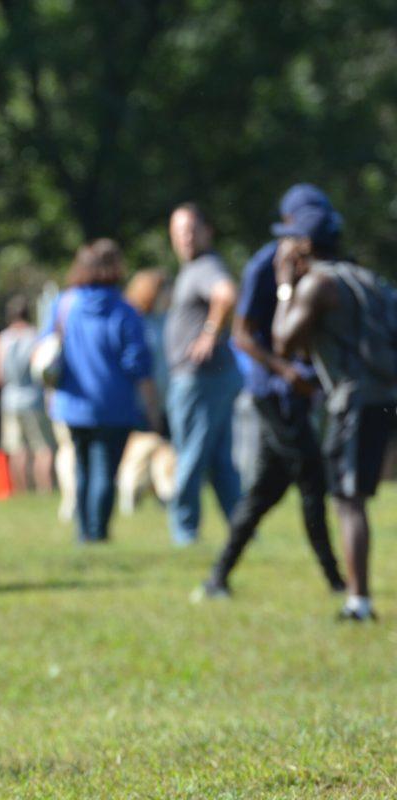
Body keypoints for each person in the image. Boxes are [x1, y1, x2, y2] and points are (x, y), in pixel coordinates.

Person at [196, 186, 347, 599]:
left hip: (299, 394)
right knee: (314, 481)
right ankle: (339, 584)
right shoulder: (265, 266)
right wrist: (285, 371)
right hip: (273, 395)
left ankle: (216, 578)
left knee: (265, 493)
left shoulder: (319, 266)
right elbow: (242, 336)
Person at [272, 206, 395, 621]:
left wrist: (285, 288)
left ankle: (358, 601)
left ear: (304, 245)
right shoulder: (367, 279)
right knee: (353, 496)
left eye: (287, 238)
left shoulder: (318, 284)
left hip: (352, 400)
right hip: (382, 394)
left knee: (347, 498)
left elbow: (283, 343)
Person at [48, 239, 160, 543]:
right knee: (104, 471)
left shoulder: (63, 304)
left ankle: (83, 532)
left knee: (83, 469)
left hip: (71, 403)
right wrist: (152, 406)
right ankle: (97, 533)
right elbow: (137, 363)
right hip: (115, 405)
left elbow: (46, 348)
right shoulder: (125, 311)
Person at [163, 203, 242, 545]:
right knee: (220, 462)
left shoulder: (205, 267)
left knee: (191, 457)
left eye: (192, 229)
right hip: (214, 378)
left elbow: (226, 294)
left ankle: (185, 533)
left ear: (208, 231)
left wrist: (210, 332)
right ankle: (242, 530)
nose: (186, 237)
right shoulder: (194, 268)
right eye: (179, 231)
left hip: (200, 379)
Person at [117, 270, 177, 512]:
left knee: (164, 450)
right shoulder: (135, 321)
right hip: (141, 398)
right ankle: (131, 493)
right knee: (140, 452)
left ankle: (165, 494)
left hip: (167, 398)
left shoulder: (166, 320)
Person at [0, 294, 54, 494]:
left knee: (17, 450)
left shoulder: (1, 339)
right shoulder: (37, 337)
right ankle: (45, 489)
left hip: (10, 399)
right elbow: (45, 369)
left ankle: (21, 490)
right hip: (34, 397)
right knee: (43, 448)